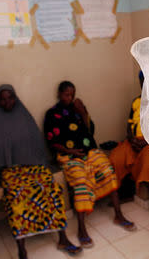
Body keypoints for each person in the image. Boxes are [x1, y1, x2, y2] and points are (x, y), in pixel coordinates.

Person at [0, 85, 81, 259]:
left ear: (16, 97)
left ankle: (63, 238)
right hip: (9, 168)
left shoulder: (23, 115)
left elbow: (35, 141)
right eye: (3, 98)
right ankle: (22, 249)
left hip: (32, 164)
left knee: (52, 189)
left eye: (10, 97)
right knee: (17, 195)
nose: (7, 101)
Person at [44, 81, 135, 248]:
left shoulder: (77, 110)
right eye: (67, 95)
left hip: (90, 151)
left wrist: (83, 111)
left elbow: (90, 131)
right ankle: (81, 229)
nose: (70, 98)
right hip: (68, 156)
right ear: (59, 94)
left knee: (108, 169)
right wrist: (72, 153)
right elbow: (51, 142)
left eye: (72, 94)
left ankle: (118, 214)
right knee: (80, 180)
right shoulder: (52, 114)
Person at [109, 71, 149, 226]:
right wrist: (131, 139)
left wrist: (146, 142)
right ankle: (125, 192)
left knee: (148, 164)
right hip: (136, 141)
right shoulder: (136, 101)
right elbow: (129, 124)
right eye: (143, 81)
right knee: (115, 157)